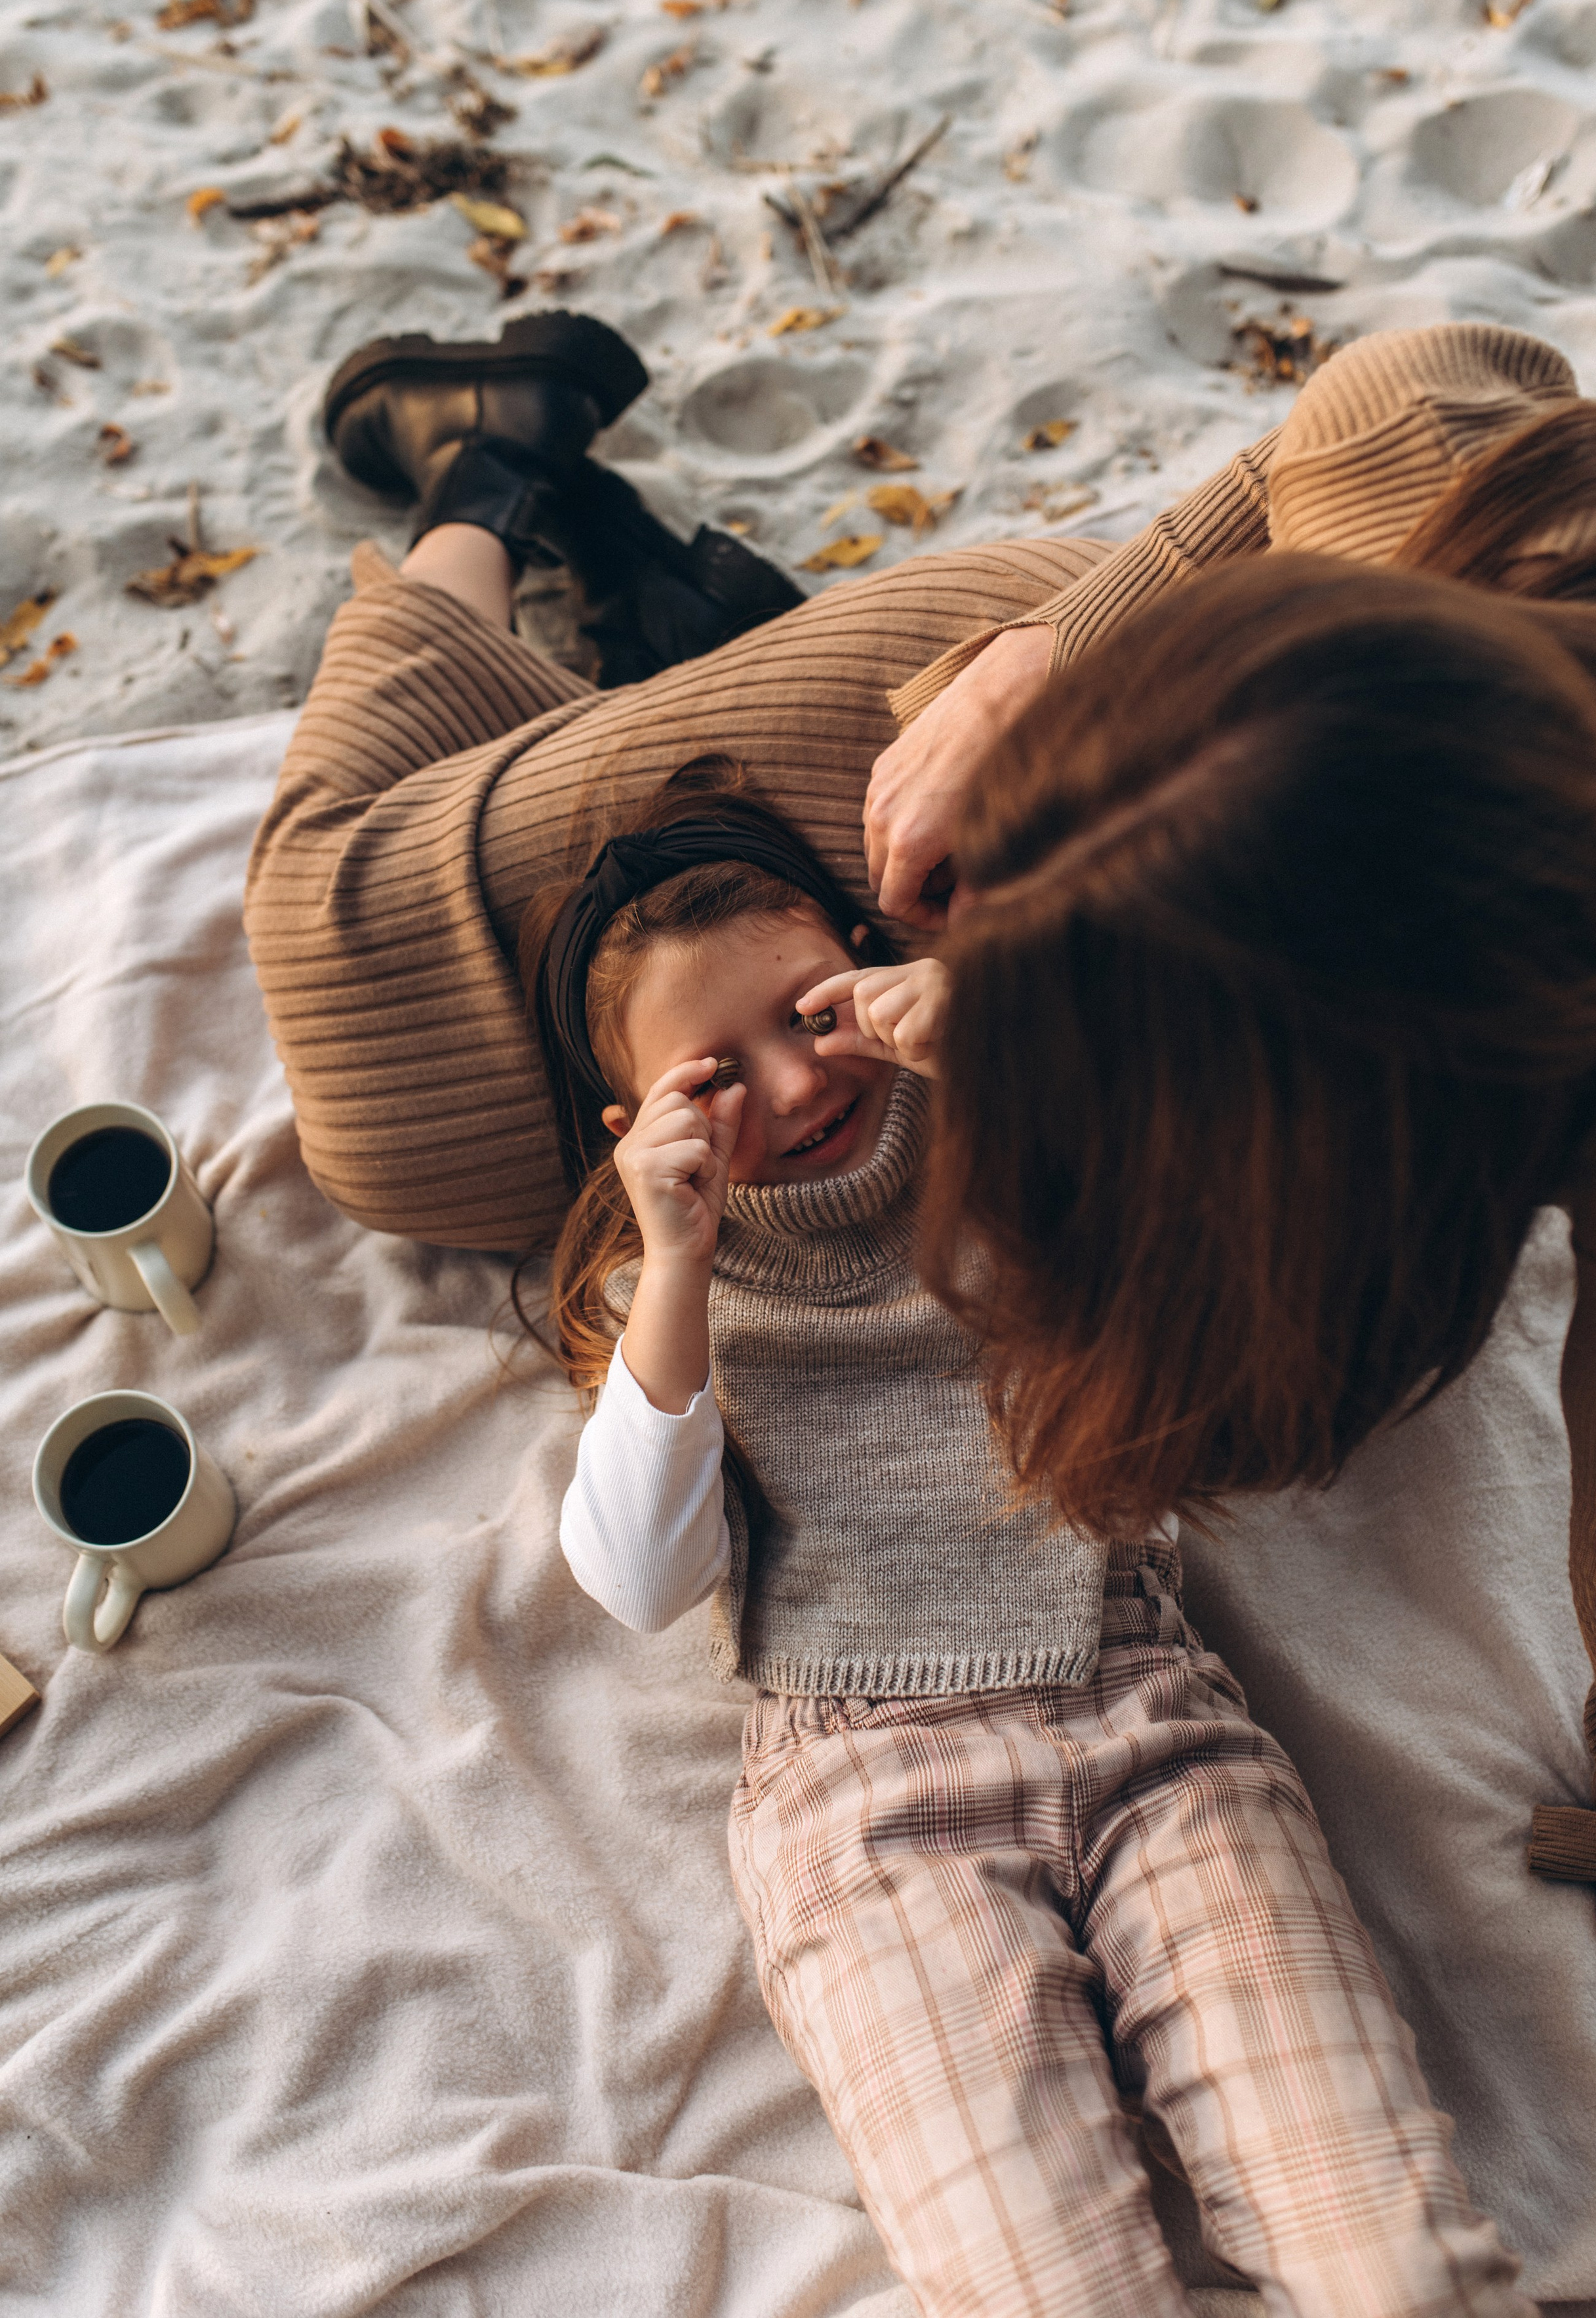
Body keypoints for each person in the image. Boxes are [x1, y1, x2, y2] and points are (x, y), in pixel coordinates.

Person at [244, 313, 1596, 1992]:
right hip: (995, 739)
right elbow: (1413, 380)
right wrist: (1046, 663)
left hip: (1088, 825)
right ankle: (481, 480)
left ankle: (598, 592)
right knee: (337, 970)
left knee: (392, 1028)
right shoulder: (1543, 585)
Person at [537, 755, 1532, 2318]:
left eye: (807, 1014)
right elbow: (641, 1580)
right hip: (865, 1791)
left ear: (868, 969)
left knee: (1398, 2269)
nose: (792, 1092)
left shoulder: (1012, 1121)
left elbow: (1229, 1233)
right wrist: (671, 1266)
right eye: (711, 1077)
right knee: (1052, 2293)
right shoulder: (667, 1288)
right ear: (635, 1128)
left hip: (1145, 1712)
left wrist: (1024, 1052)